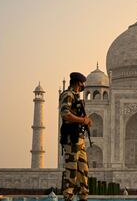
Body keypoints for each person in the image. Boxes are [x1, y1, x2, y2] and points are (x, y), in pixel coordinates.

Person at [59, 72, 93, 201]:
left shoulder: (76, 97)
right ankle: (68, 197)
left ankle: (83, 197)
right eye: (82, 83)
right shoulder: (67, 95)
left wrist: (84, 121)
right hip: (71, 139)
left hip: (79, 140)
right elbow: (65, 114)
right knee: (71, 171)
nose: (83, 85)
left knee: (83, 171)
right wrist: (82, 120)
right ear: (78, 83)